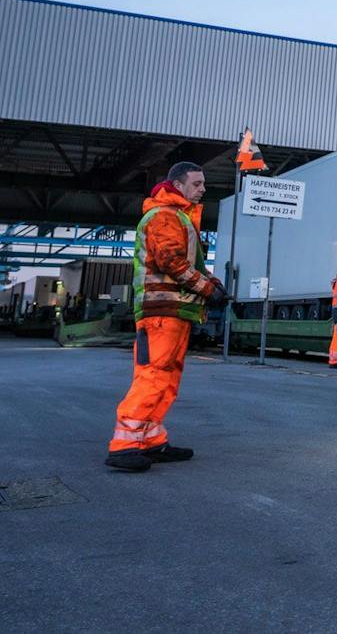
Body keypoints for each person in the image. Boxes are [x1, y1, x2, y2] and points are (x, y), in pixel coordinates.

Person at [106, 162, 227, 472]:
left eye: (203, 184)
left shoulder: (178, 217)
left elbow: (183, 261)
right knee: (154, 376)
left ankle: (151, 440)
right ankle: (124, 446)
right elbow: (170, 260)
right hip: (161, 313)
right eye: (197, 184)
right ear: (177, 184)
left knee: (166, 380)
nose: (203, 189)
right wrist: (207, 288)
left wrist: (210, 283)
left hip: (172, 311)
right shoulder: (164, 215)